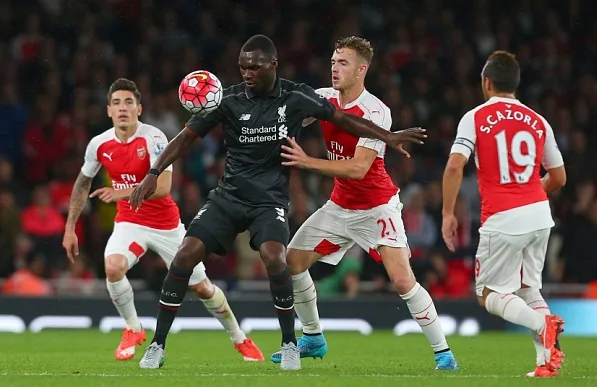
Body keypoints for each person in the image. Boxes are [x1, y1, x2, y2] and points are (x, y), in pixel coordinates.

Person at [128, 34, 427, 371]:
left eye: (253, 67)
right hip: (229, 196)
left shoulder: (294, 96)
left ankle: (289, 344)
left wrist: (387, 136)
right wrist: (154, 171)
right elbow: (185, 137)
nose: (246, 73)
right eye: (242, 67)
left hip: (269, 200)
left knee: (275, 257)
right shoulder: (227, 99)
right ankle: (157, 345)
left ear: (272, 65)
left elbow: (342, 119)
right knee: (184, 255)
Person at [269, 36, 458, 370]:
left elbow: (358, 169)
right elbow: (289, 115)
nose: (334, 69)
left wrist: (306, 161)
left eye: (343, 63)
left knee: (402, 280)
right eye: (332, 62)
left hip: (377, 207)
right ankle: (313, 337)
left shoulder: (376, 112)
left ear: (361, 69)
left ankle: (443, 353)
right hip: (339, 206)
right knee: (292, 262)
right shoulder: (325, 98)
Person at [62, 78, 264, 363]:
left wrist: (121, 191)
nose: (123, 108)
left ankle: (239, 338)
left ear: (139, 108)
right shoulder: (99, 144)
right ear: (108, 111)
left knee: (202, 288)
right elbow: (83, 183)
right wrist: (70, 228)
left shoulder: (154, 137)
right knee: (113, 266)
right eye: (117, 103)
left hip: (166, 226)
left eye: (128, 103)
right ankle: (133, 329)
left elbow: (164, 187)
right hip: (130, 223)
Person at [441, 51, 566, 378]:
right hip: (540, 214)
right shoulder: (539, 120)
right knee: (528, 289)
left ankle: (543, 324)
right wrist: (530, 189)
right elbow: (560, 177)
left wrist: (447, 213)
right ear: (515, 83)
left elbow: (456, 165)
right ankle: (544, 364)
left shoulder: (476, 117)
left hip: (504, 216)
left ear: (486, 82)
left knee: (488, 293)